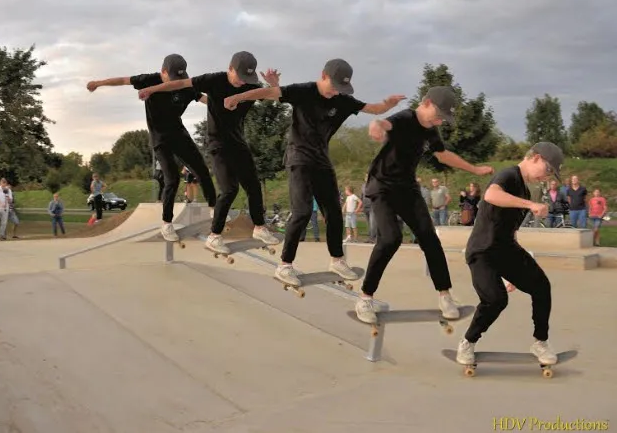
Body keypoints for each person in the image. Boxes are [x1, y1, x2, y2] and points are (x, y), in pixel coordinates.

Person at [223, 58, 405, 284]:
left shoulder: (344, 101)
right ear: (324, 76)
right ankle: (285, 265)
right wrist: (237, 97)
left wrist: (387, 105)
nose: (335, 93)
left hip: (322, 161)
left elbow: (373, 108)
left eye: (340, 89)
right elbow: (269, 94)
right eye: (333, 87)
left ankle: (337, 260)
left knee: (334, 214)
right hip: (298, 158)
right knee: (302, 211)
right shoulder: (304, 91)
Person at [355, 86, 495, 324]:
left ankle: (445, 296)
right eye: (438, 116)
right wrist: (375, 126)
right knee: (390, 239)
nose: (439, 122)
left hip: (407, 188)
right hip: (382, 186)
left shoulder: (431, 131)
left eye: (443, 119)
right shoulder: (405, 117)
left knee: (429, 238)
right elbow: (383, 124)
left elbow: (444, 155)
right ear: (427, 103)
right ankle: (365, 297)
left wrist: (474, 169)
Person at [137, 51, 280, 253]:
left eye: (246, 79)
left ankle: (259, 227)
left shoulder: (250, 86)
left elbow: (276, 95)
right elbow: (180, 84)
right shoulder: (213, 80)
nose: (242, 83)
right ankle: (214, 236)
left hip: (239, 143)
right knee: (230, 189)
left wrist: (273, 83)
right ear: (230, 68)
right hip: (218, 145)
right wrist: (151, 89)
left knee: (253, 185)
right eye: (239, 77)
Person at [87, 54, 216, 242]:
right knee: (171, 178)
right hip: (160, 138)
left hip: (179, 134)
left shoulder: (186, 84)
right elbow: (123, 80)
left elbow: (203, 98)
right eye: (173, 79)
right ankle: (167, 224)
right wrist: (98, 83)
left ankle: (215, 209)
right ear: (163, 72)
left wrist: (224, 104)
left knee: (202, 170)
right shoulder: (149, 80)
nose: (176, 84)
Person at [456, 142, 564, 366]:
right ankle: (468, 342)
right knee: (495, 299)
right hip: (482, 251)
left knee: (541, 287)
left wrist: (511, 273)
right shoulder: (509, 175)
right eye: (547, 171)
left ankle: (540, 341)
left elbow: (510, 230)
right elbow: (491, 195)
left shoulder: (524, 188)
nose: (545, 178)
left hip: (506, 249)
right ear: (535, 157)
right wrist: (531, 204)